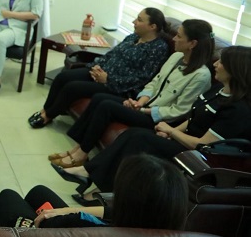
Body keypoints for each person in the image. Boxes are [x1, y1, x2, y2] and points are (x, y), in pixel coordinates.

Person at [57, 46, 251, 204]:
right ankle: (92, 177)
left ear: (235, 69)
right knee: (132, 134)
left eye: (221, 62)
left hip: (195, 156)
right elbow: (193, 118)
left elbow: (203, 144)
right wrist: (171, 131)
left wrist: (170, 131)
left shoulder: (238, 109)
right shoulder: (218, 90)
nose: (215, 64)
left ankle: (97, 185)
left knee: (139, 139)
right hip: (182, 140)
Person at [49, 19, 214, 171]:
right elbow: (155, 82)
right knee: (100, 98)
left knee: (106, 106)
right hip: (145, 105)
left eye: (179, 36)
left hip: (159, 119)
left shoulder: (200, 76)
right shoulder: (176, 56)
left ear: (192, 43)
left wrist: (142, 110)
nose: (174, 39)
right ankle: (78, 148)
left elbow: (179, 111)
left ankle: (81, 154)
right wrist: (140, 101)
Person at [28, 8, 170, 128]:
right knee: (62, 77)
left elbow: (142, 78)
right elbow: (112, 54)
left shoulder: (158, 48)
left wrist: (108, 79)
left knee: (72, 87)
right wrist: (96, 66)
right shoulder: (133, 37)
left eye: (139, 20)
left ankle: (48, 116)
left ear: (152, 26)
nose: (134, 22)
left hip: (117, 87)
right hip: (101, 72)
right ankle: (45, 110)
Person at [0, 154, 188, 231]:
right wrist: (66, 209)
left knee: (8, 197)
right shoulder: (161, 229)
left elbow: (45, 226)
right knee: (39, 193)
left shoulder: (79, 223)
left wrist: (63, 215)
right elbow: (111, 212)